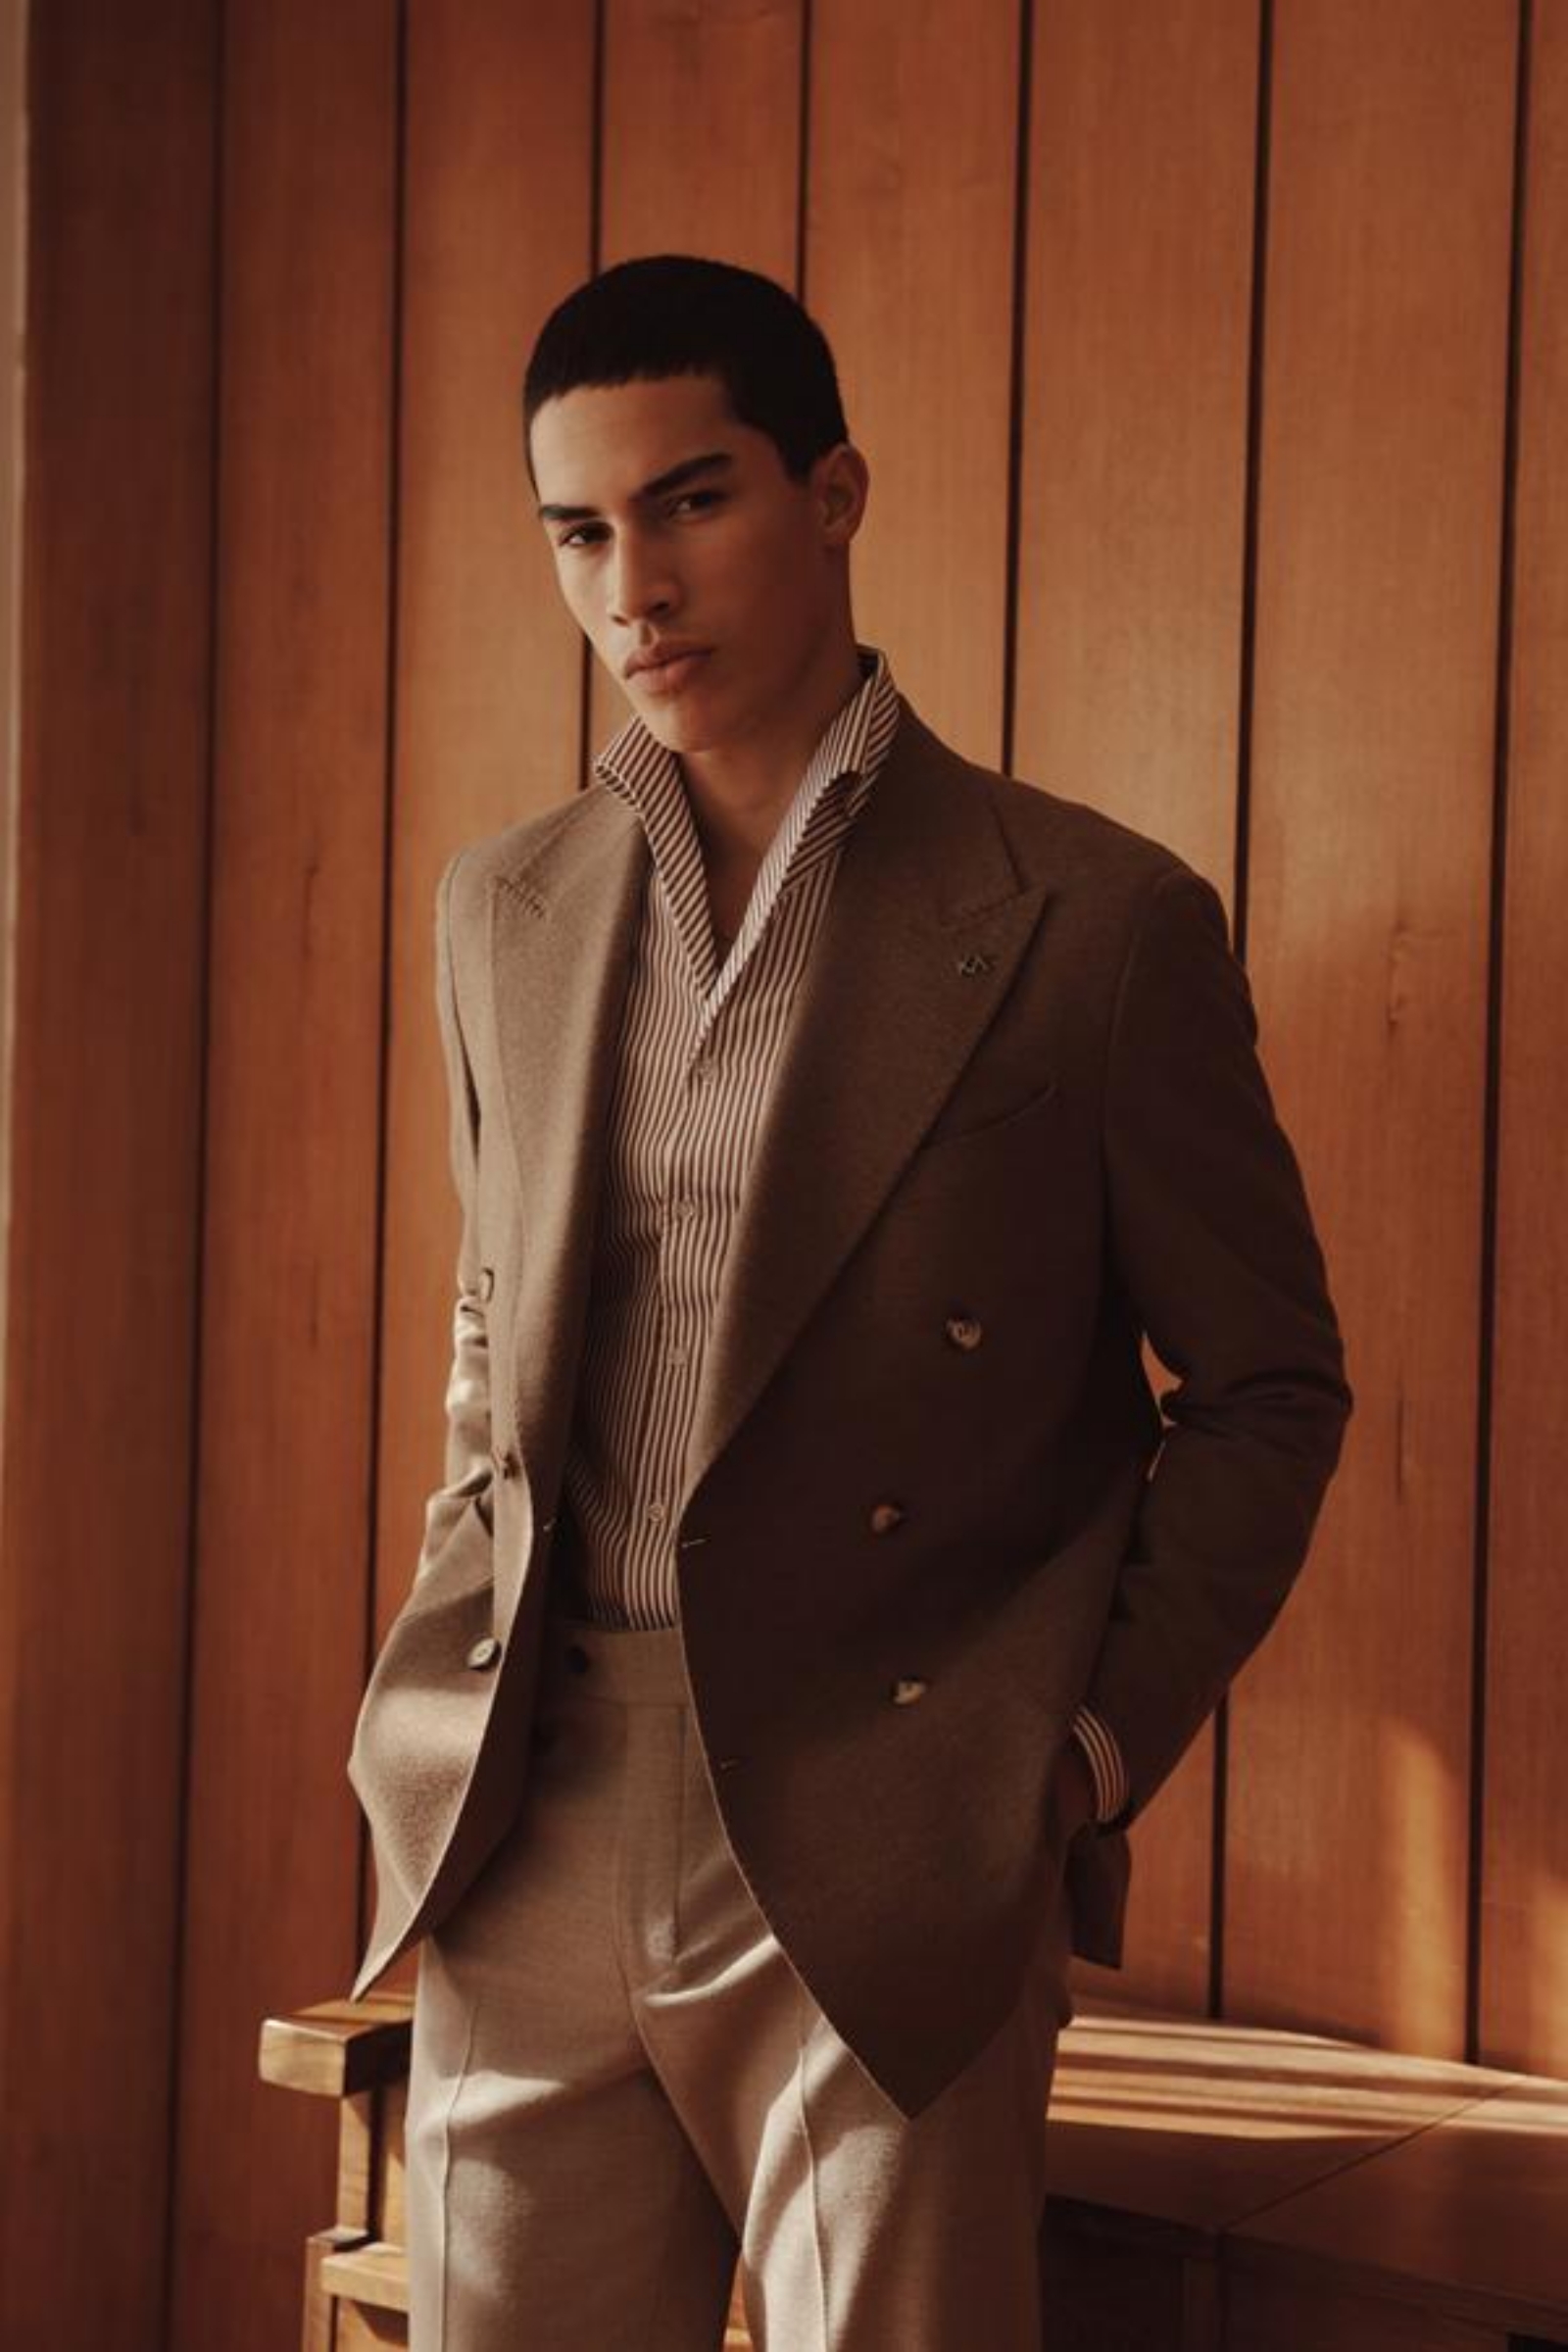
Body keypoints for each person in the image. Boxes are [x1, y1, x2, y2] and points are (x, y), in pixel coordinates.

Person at [345, 253, 1352, 2351]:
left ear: (834, 493)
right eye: (577, 532)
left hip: (892, 1818)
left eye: (690, 501)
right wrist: (442, 1676)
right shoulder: (501, 908)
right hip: (528, 1809)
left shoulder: (1094, 925)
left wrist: (1066, 1759)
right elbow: (496, 1338)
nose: (634, 587)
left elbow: (1268, 1384)